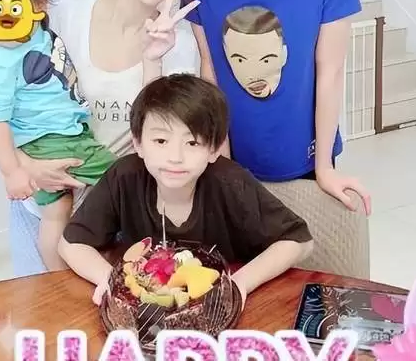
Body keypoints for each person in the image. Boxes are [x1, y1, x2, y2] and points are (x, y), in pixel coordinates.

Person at [186, 0, 371, 277]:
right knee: (245, 279)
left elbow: (330, 70)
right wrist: (222, 166)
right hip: (235, 157)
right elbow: (211, 70)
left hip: (305, 156)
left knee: (312, 274)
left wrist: (323, 167)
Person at [1, 0, 208, 277]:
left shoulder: (180, 47)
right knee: (42, 314)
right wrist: (25, 165)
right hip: (40, 208)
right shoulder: (64, 19)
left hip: (112, 222)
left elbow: (158, 141)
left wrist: (152, 59)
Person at [57, 74, 314, 307]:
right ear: (138, 143)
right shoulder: (124, 177)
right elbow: (71, 244)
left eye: (192, 142)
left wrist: (239, 284)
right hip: (146, 311)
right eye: (161, 140)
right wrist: (110, 281)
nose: (175, 157)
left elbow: (299, 241)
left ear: (213, 149)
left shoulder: (230, 182)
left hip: (220, 308)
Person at [0, 0, 118, 271]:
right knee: (122, 181)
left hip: (69, 131)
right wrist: (13, 172)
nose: (3, 20)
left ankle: (71, 268)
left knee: (62, 210)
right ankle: (59, 276)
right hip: (48, 141)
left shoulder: (37, 32)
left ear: (38, 5)